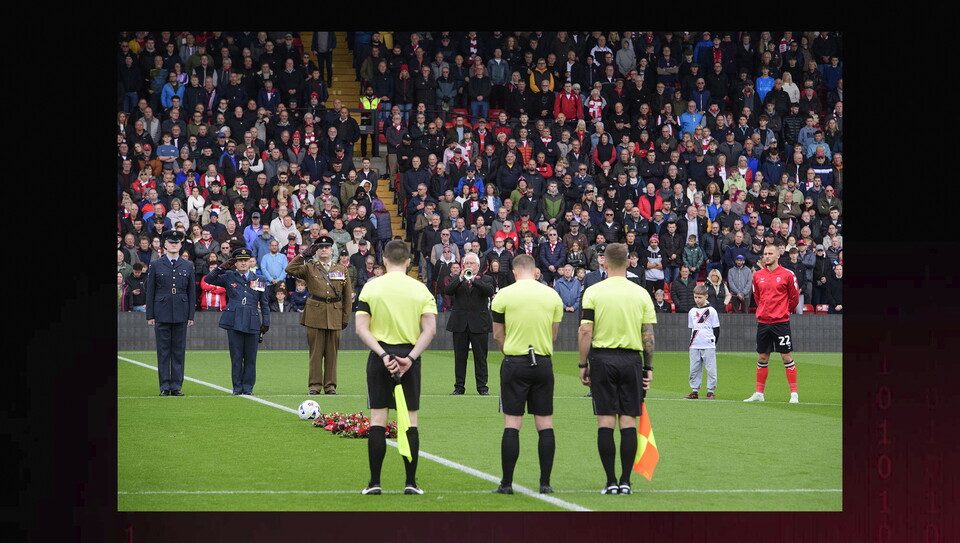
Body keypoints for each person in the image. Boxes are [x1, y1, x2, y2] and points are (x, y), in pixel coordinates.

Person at [354, 240, 438, 496]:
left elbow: (360, 328)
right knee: (409, 420)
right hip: (408, 358)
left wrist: (382, 354)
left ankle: (374, 483)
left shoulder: (371, 286)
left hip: (381, 356)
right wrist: (410, 359)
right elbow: (430, 330)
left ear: (384, 259)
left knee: (378, 419)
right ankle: (411, 483)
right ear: (409, 260)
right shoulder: (420, 289)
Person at [578, 243, 656, 495]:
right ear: (629, 262)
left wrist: (583, 363)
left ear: (604, 262)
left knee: (605, 421)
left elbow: (585, 329)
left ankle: (610, 481)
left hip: (603, 359)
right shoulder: (641, 293)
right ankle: (626, 482)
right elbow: (648, 335)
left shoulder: (593, 291)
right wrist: (648, 367)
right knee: (627, 422)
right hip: (631, 360)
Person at [489, 253, 564, 495]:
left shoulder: (503, 295)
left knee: (512, 423)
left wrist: (508, 351)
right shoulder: (552, 295)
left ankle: (507, 483)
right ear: (535, 271)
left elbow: (498, 335)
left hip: (515, 362)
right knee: (545, 424)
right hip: (542, 362)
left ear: (513, 272)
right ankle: (545, 483)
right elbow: (553, 335)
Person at [285, 236, 353, 395]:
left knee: (332, 354)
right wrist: (303, 255)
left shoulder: (341, 269)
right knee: (315, 354)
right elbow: (290, 269)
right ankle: (315, 386)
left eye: (326, 247)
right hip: (315, 313)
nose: (323, 249)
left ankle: (330, 386)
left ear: (331, 249)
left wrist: (345, 317)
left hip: (335, 313)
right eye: (320, 247)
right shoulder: (310, 267)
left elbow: (347, 295)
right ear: (316, 250)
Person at [204, 248, 270, 395]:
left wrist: (266, 322)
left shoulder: (260, 279)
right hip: (234, 320)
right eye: (240, 260)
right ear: (235, 262)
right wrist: (221, 267)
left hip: (252, 320)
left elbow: (264, 303)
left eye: (245, 260)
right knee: (236, 356)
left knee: (251, 357)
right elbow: (208, 279)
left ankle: (248, 388)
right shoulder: (229, 276)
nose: (243, 263)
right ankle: (237, 387)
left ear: (250, 262)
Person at [744, 243, 801, 403]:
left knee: (786, 356)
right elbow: (757, 297)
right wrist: (765, 310)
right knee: (762, 357)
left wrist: (783, 311)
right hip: (763, 321)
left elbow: (794, 298)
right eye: (765, 253)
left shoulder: (788, 275)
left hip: (781, 322)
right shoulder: (757, 275)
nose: (766, 256)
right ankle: (759, 394)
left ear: (777, 255)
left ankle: (794, 394)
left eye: (770, 253)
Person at [145, 230, 196, 396]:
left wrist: (190, 316)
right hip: (162, 312)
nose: (174, 245)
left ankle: (176, 386)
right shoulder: (156, 265)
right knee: (163, 350)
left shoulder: (188, 265)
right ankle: (164, 386)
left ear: (181, 245)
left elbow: (191, 292)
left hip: (181, 312)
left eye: (176, 242)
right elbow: (150, 291)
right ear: (165, 245)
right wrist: (150, 315)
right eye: (170, 242)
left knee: (178, 351)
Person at [445, 253, 496, 395]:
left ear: (478, 266)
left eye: (471, 263)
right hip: (460, 323)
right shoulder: (457, 279)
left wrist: (474, 280)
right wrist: (461, 278)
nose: (468, 266)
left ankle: (482, 387)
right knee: (460, 357)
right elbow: (448, 291)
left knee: (480, 357)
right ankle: (459, 387)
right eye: (466, 263)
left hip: (479, 323)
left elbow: (489, 291)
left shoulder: (486, 278)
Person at [684, 284, 721, 400]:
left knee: (710, 369)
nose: (697, 300)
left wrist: (713, 343)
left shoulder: (711, 311)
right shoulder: (692, 311)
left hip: (708, 344)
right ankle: (694, 390)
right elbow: (692, 328)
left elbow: (716, 329)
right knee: (694, 368)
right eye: (695, 297)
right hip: (694, 344)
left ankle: (710, 391)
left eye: (699, 297)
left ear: (706, 296)